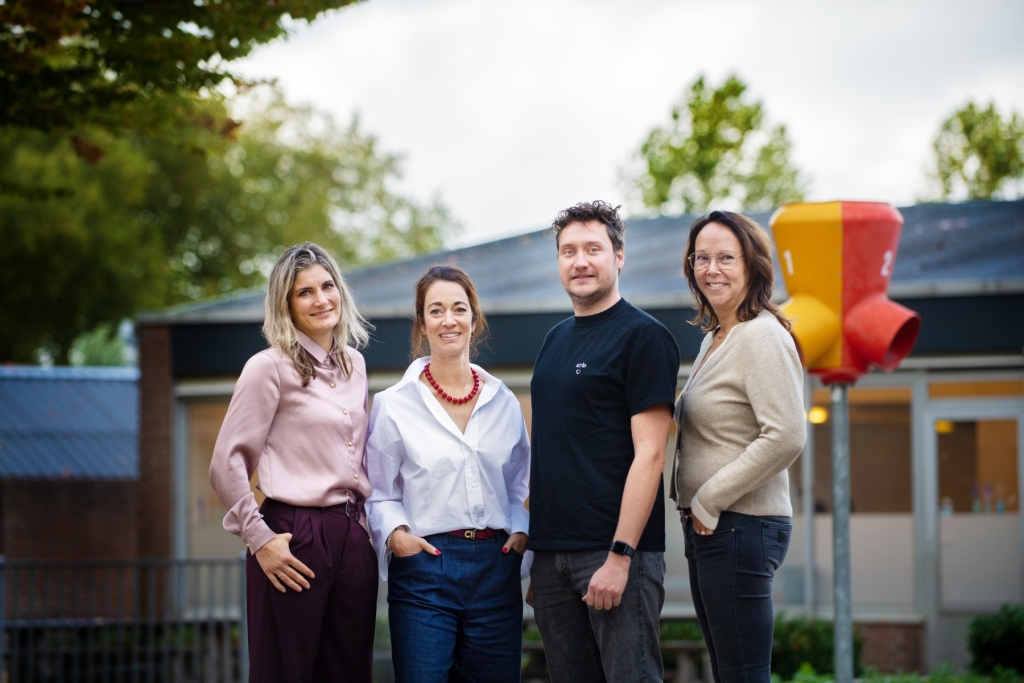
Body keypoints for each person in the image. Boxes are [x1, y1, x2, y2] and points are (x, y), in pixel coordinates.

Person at [209, 242, 377, 683]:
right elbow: (226, 464)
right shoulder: (267, 368)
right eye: (305, 292)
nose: (321, 300)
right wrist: (260, 539)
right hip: (294, 535)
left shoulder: (355, 365)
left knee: (347, 673)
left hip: (351, 535)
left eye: (327, 286)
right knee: (285, 673)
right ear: (286, 304)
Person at [528, 200, 680, 682]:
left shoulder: (643, 337)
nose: (580, 261)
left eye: (593, 248)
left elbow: (651, 455)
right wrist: (542, 557)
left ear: (618, 256)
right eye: (568, 251)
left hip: (615, 554)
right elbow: (551, 452)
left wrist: (620, 557)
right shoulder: (554, 340)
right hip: (553, 560)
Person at [365, 264, 531, 683]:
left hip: (496, 567)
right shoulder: (393, 404)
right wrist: (397, 536)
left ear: (474, 320)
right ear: (422, 323)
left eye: (459, 309)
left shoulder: (503, 400)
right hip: (425, 571)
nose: (448, 320)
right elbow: (379, 491)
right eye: (435, 310)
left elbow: (518, 487)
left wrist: (520, 530)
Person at [670, 210, 806, 682]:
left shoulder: (762, 336)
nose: (711, 269)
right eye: (701, 258)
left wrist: (710, 498)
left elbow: (787, 434)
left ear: (752, 264)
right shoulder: (715, 337)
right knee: (729, 673)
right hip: (713, 528)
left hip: (739, 527)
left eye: (725, 257)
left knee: (743, 675)